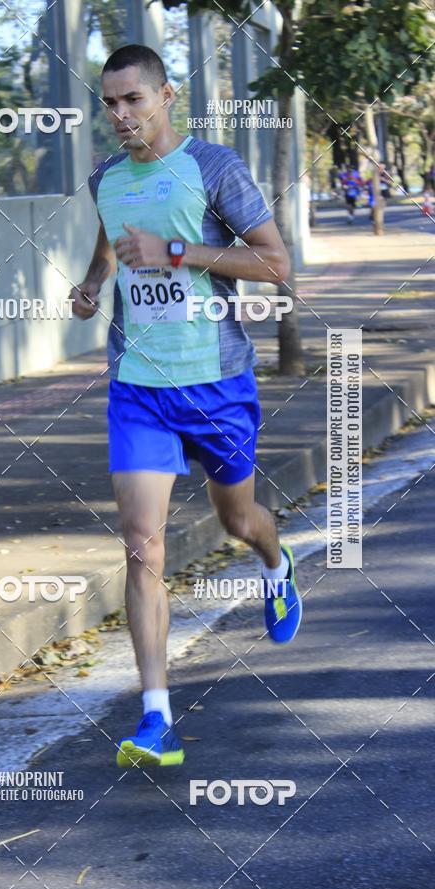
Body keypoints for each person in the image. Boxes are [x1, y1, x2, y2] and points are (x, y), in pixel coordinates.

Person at [70, 44, 302, 769]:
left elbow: (276, 264)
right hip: (138, 385)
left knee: (239, 520)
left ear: (167, 96)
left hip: (216, 382)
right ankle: (156, 721)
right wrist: (88, 287)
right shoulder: (105, 177)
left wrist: (177, 250)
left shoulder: (213, 169)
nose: (119, 115)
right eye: (109, 103)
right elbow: (110, 248)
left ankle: (275, 561)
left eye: (132, 100)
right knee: (142, 547)